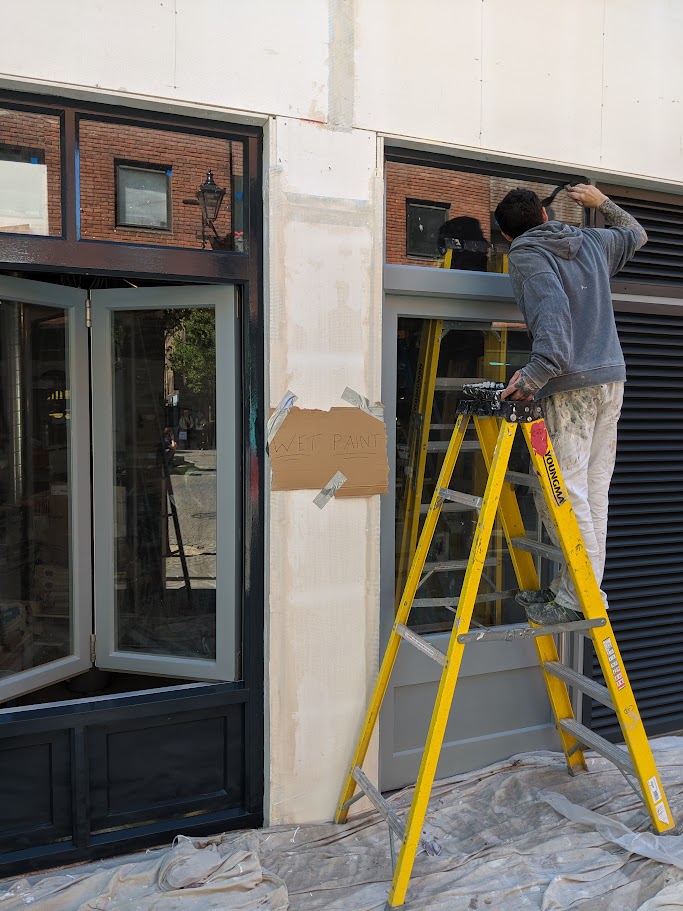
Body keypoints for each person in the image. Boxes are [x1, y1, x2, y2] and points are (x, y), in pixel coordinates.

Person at [494, 184, 647, 625]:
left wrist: (535, 374)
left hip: (572, 384)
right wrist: (601, 204)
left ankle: (579, 591)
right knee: (592, 490)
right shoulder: (592, 241)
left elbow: (553, 315)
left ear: (506, 235)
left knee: (559, 493)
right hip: (610, 380)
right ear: (544, 214)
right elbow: (635, 234)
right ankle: (579, 592)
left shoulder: (525, 253)